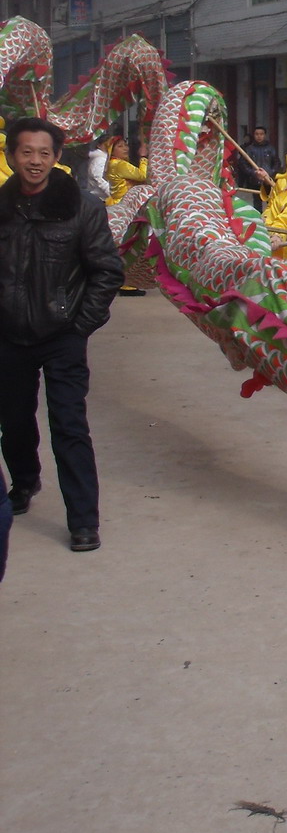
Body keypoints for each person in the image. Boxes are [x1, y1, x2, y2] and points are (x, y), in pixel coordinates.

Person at [0, 117, 125, 553]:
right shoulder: (1, 206)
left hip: (62, 335)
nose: (35, 161)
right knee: (13, 422)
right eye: (26, 152)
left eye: (44, 153)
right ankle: (25, 481)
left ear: (56, 157)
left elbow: (107, 272)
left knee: (69, 425)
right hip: (9, 334)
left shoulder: (82, 208)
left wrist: (79, 326)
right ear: (12, 155)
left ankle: (83, 520)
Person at [103, 135, 150, 205]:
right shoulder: (119, 164)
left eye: (125, 145)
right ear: (112, 152)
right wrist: (143, 157)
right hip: (125, 203)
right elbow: (143, 175)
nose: (125, 148)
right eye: (120, 146)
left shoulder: (112, 163)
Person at [237, 126, 281, 199]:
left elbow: (277, 163)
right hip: (255, 180)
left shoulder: (271, 148)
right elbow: (243, 164)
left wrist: (270, 172)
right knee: (257, 203)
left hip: (268, 179)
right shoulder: (249, 149)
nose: (259, 136)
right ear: (254, 135)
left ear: (265, 135)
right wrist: (253, 173)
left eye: (261, 134)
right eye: (257, 134)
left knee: (271, 200)